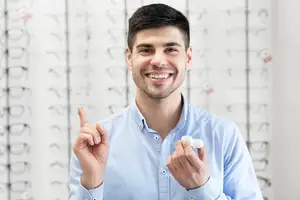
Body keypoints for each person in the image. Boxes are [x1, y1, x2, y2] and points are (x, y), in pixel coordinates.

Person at [68, 3, 264, 200]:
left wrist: (202, 188)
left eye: (170, 50)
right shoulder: (94, 146)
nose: (158, 61)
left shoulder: (224, 136)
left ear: (188, 58)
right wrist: (92, 181)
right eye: (146, 50)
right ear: (129, 59)